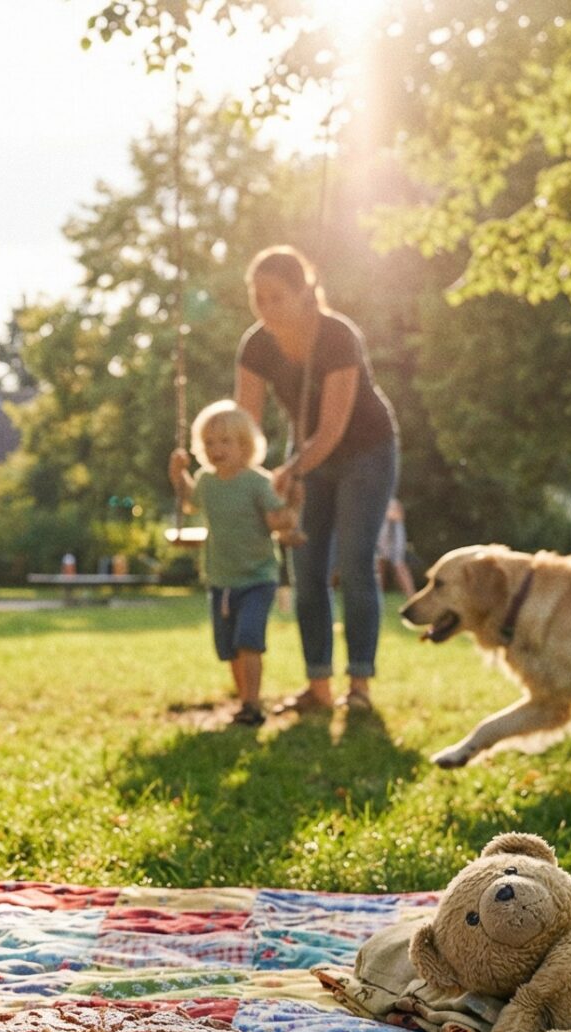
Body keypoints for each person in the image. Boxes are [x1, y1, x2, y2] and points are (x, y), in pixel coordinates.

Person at [220, 246, 402, 718]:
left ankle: (359, 683)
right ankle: (317, 686)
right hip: (306, 454)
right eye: (258, 297)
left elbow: (333, 428)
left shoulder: (338, 336)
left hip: (366, 451)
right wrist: (242, 478)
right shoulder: (256, 346)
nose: (266, 307)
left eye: (276, 296)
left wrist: (292, 471)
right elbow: (246, 426)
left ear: (304, 292)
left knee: (356, 562)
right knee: (306, 570)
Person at [169, 400, 301, 727]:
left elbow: (276, 520)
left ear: (245, 445)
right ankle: (244, 699)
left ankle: (252, 704)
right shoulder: (206, 482)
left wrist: (291, 510)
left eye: (225, 441)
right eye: (209, 442)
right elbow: (189, 501)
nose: (216, 449)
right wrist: (178, 474)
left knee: (248, 640)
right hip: (221, 579)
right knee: (229, 647)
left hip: (258, 577)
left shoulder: (257, 482)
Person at [377, 497, 416, 597]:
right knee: (379, 566)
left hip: (392, 536)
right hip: (380, 535)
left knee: (399, 565)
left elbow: (398, 515)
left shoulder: (391, 502)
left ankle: (412, 596)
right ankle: (376, 596)